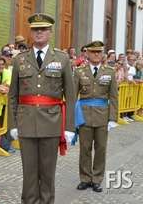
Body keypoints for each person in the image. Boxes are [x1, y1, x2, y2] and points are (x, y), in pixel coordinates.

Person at [8, 13, 75, 204]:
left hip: (51, 124)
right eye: (35, 29)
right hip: (26, 122)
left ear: (50, 32)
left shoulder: (62, 59)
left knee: (47, 174)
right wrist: (12, 124)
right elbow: (12, 94)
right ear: (30, 32)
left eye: (43, 29)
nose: (39, 33)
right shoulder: (19, 60)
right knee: (29, 173)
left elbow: (70, 96)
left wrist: (69, 127)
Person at [74, 41, 118, 192]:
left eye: (99, 52)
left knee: (101, 148)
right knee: (85, 148)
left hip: (102, 116)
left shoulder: (110, 71)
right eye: (93, 52)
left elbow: (113, 97)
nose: (96, 55)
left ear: (102, 54)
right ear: (87, 54)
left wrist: (113, 118)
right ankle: (85, 178)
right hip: (84, 115)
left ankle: (97, 178)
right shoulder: (79, 71)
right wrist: (72, 119)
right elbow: (73, 96)